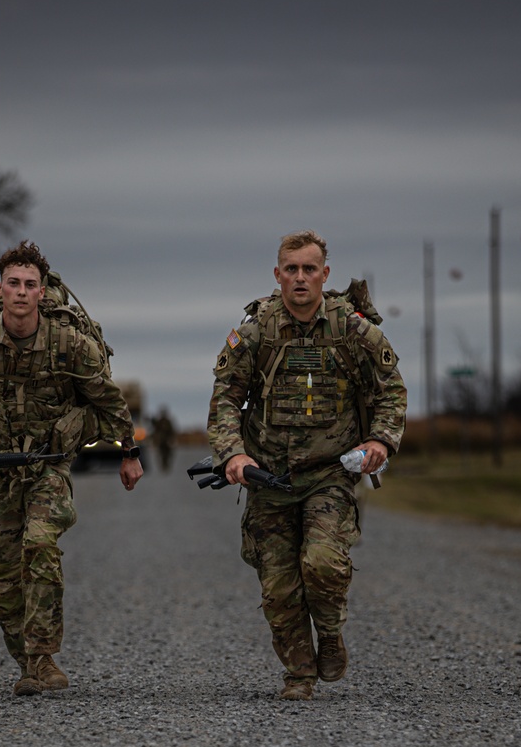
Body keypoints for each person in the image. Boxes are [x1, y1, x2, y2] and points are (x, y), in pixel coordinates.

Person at [0, 241, 144, 696]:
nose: (21, 292)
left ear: (42, 292)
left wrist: (129, 453)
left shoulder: (69, 342)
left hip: (49, 465)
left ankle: (46, 656)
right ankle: (26, 663)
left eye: (31, 284)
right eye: (13, 283)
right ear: (1, 288)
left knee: (40, 542)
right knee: (4, 575)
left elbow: (108, 399)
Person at [206, 230, 406, 701]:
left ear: (324, 275)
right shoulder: (255, 332)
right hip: (268, 477)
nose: (300, 277)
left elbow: (391, 390)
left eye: (309, 269)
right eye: (291, 269)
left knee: (321, 563)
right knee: (278, 587)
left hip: (329, 475)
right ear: (277, 275)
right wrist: (233, 453)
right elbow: (225, 401)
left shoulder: (352, 329)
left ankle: (331, 632)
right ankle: (299, 672)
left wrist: (381, 440)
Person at [150, 406, 177, 472]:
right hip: (161, 441)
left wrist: (172, 440)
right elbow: (155, 430)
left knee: (167, 454)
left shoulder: (168, 422)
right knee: (162, 454)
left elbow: (172, 431)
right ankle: (163, 465)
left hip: (167, 441)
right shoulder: (159, 421)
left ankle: (166, 465)